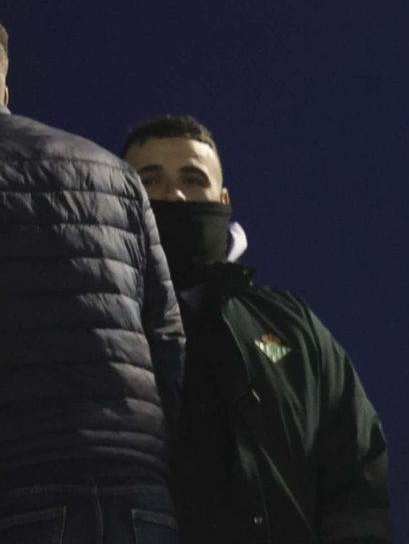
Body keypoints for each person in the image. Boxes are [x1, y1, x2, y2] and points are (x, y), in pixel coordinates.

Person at [121, 114, 391, 544]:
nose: (173, 194)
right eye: (150, 181)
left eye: (193, 180)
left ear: (223, 199)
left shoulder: (290, 325)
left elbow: (356, 470)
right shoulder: (88, 316)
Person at [0, 21, 185, 543]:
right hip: (139, 490)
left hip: (18, 486)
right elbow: (167, 337)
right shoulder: (115, 172)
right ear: (6, 89)